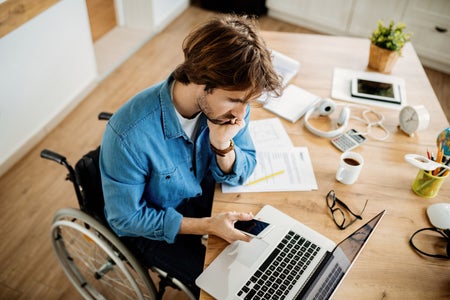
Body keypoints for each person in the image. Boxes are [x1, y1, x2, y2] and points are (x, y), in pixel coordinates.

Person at [99, 15, 282, 296]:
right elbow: (125, 219)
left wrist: (223, 145)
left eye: (246, 102)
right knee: (228, 288)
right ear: (200, 80)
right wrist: (207, 226)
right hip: (154, 227)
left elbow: (246, 166)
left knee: (266, 258)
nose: (241, 114)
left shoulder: (229, 105)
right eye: (235, 100)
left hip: (202, 197)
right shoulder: (128, 135)